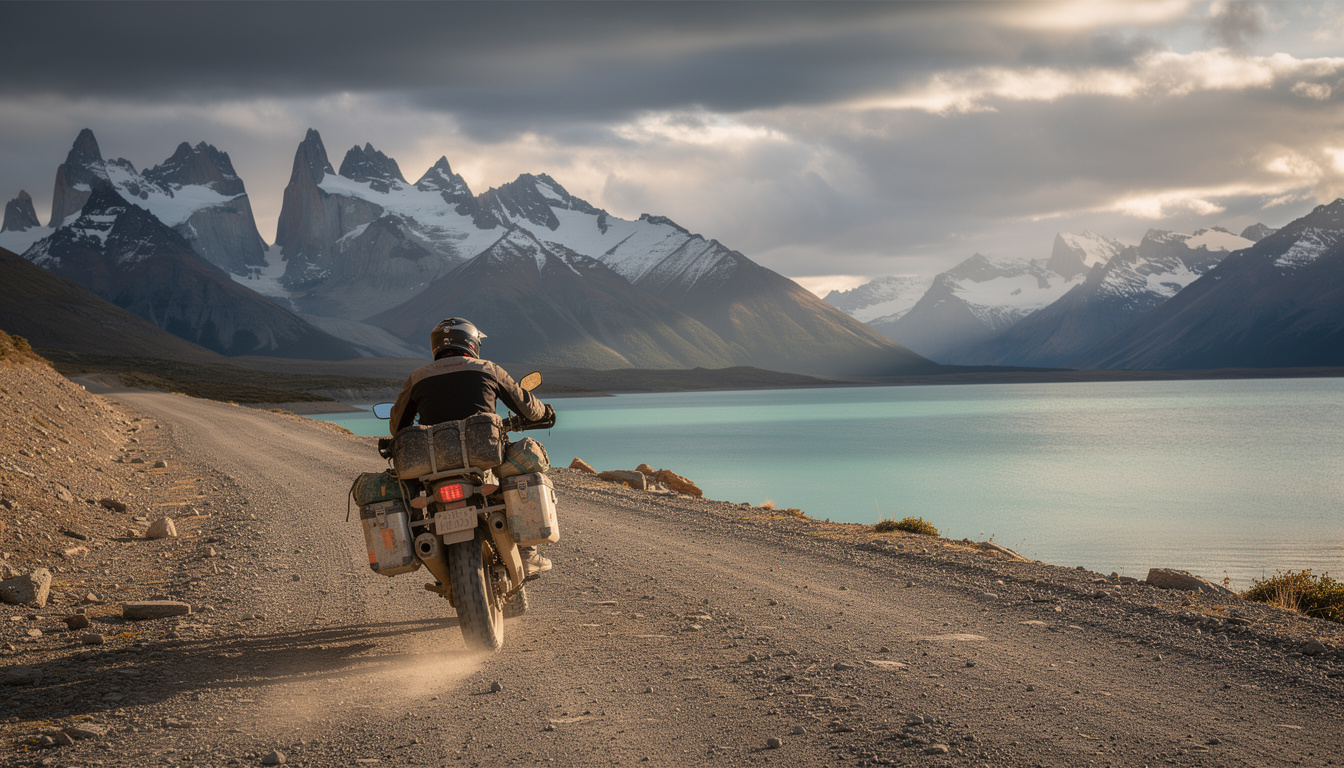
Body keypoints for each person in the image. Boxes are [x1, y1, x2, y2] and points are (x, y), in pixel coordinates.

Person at [389, 317, 555, 575]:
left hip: (432, 462)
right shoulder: (488, 369)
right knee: (518, 471)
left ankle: (419, 534)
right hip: (483, 455)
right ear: (471, 343)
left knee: (407, 490)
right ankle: (527, 552)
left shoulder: (417, 378)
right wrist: (544, 412)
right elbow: (527, 407)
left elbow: (397, 427)